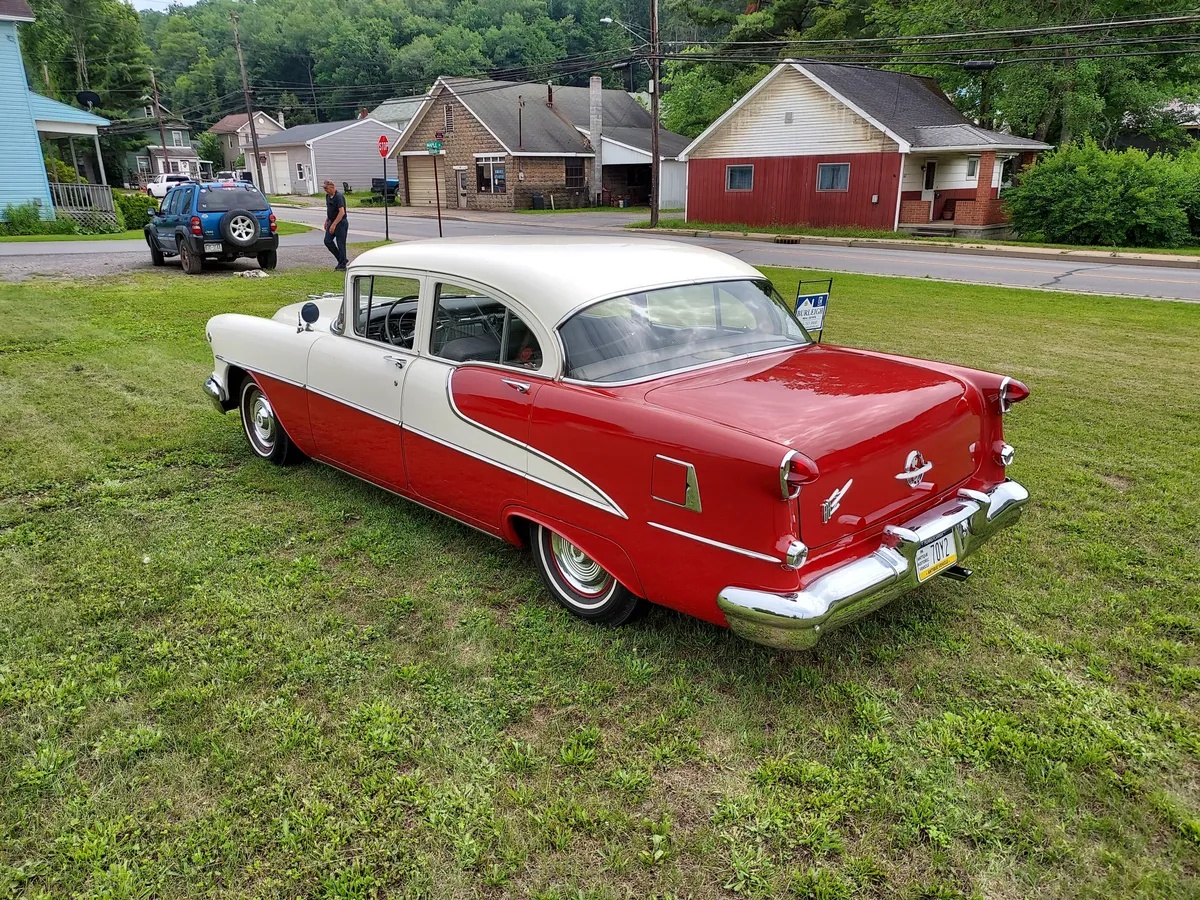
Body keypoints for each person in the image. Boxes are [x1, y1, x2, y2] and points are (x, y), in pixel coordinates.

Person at [322, 179, 349, 270]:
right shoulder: (327, 197)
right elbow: (330, 210)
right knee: (327, 241)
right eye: (324, 188)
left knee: (340, 244)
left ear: (332, 187)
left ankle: (342, 265)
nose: (325, 190)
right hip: (331, 221)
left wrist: (334, 224)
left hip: (340, 223)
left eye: (326, 188)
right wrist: (327, 220)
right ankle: (342, 259)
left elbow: (341, 212)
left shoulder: (339, 196)